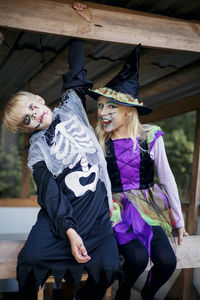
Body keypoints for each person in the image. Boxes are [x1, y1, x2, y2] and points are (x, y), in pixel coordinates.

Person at [2, 34, 122, 300]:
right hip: (63, 216)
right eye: (27, 119)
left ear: (39, 98)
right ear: (26, 128)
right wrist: (69, 231)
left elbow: (77, 70)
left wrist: (76, 31)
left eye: (33, 107)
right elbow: (49, 193)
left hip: (95, 212)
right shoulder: (37, 149)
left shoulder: (71, 106)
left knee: (110, 267)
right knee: (31, 258)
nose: (34, 114)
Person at [87, 44, 188, 300]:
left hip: (149, 208)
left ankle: (148, 294)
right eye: (100, 106)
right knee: (137, 258)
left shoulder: (151, 136)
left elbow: (167, 179)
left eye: (111, 107)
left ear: (128, 110)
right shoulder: (99, 143)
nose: (103, 113)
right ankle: (123, 291)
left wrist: (179, 219)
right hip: (117, 210)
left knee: (166, 262)